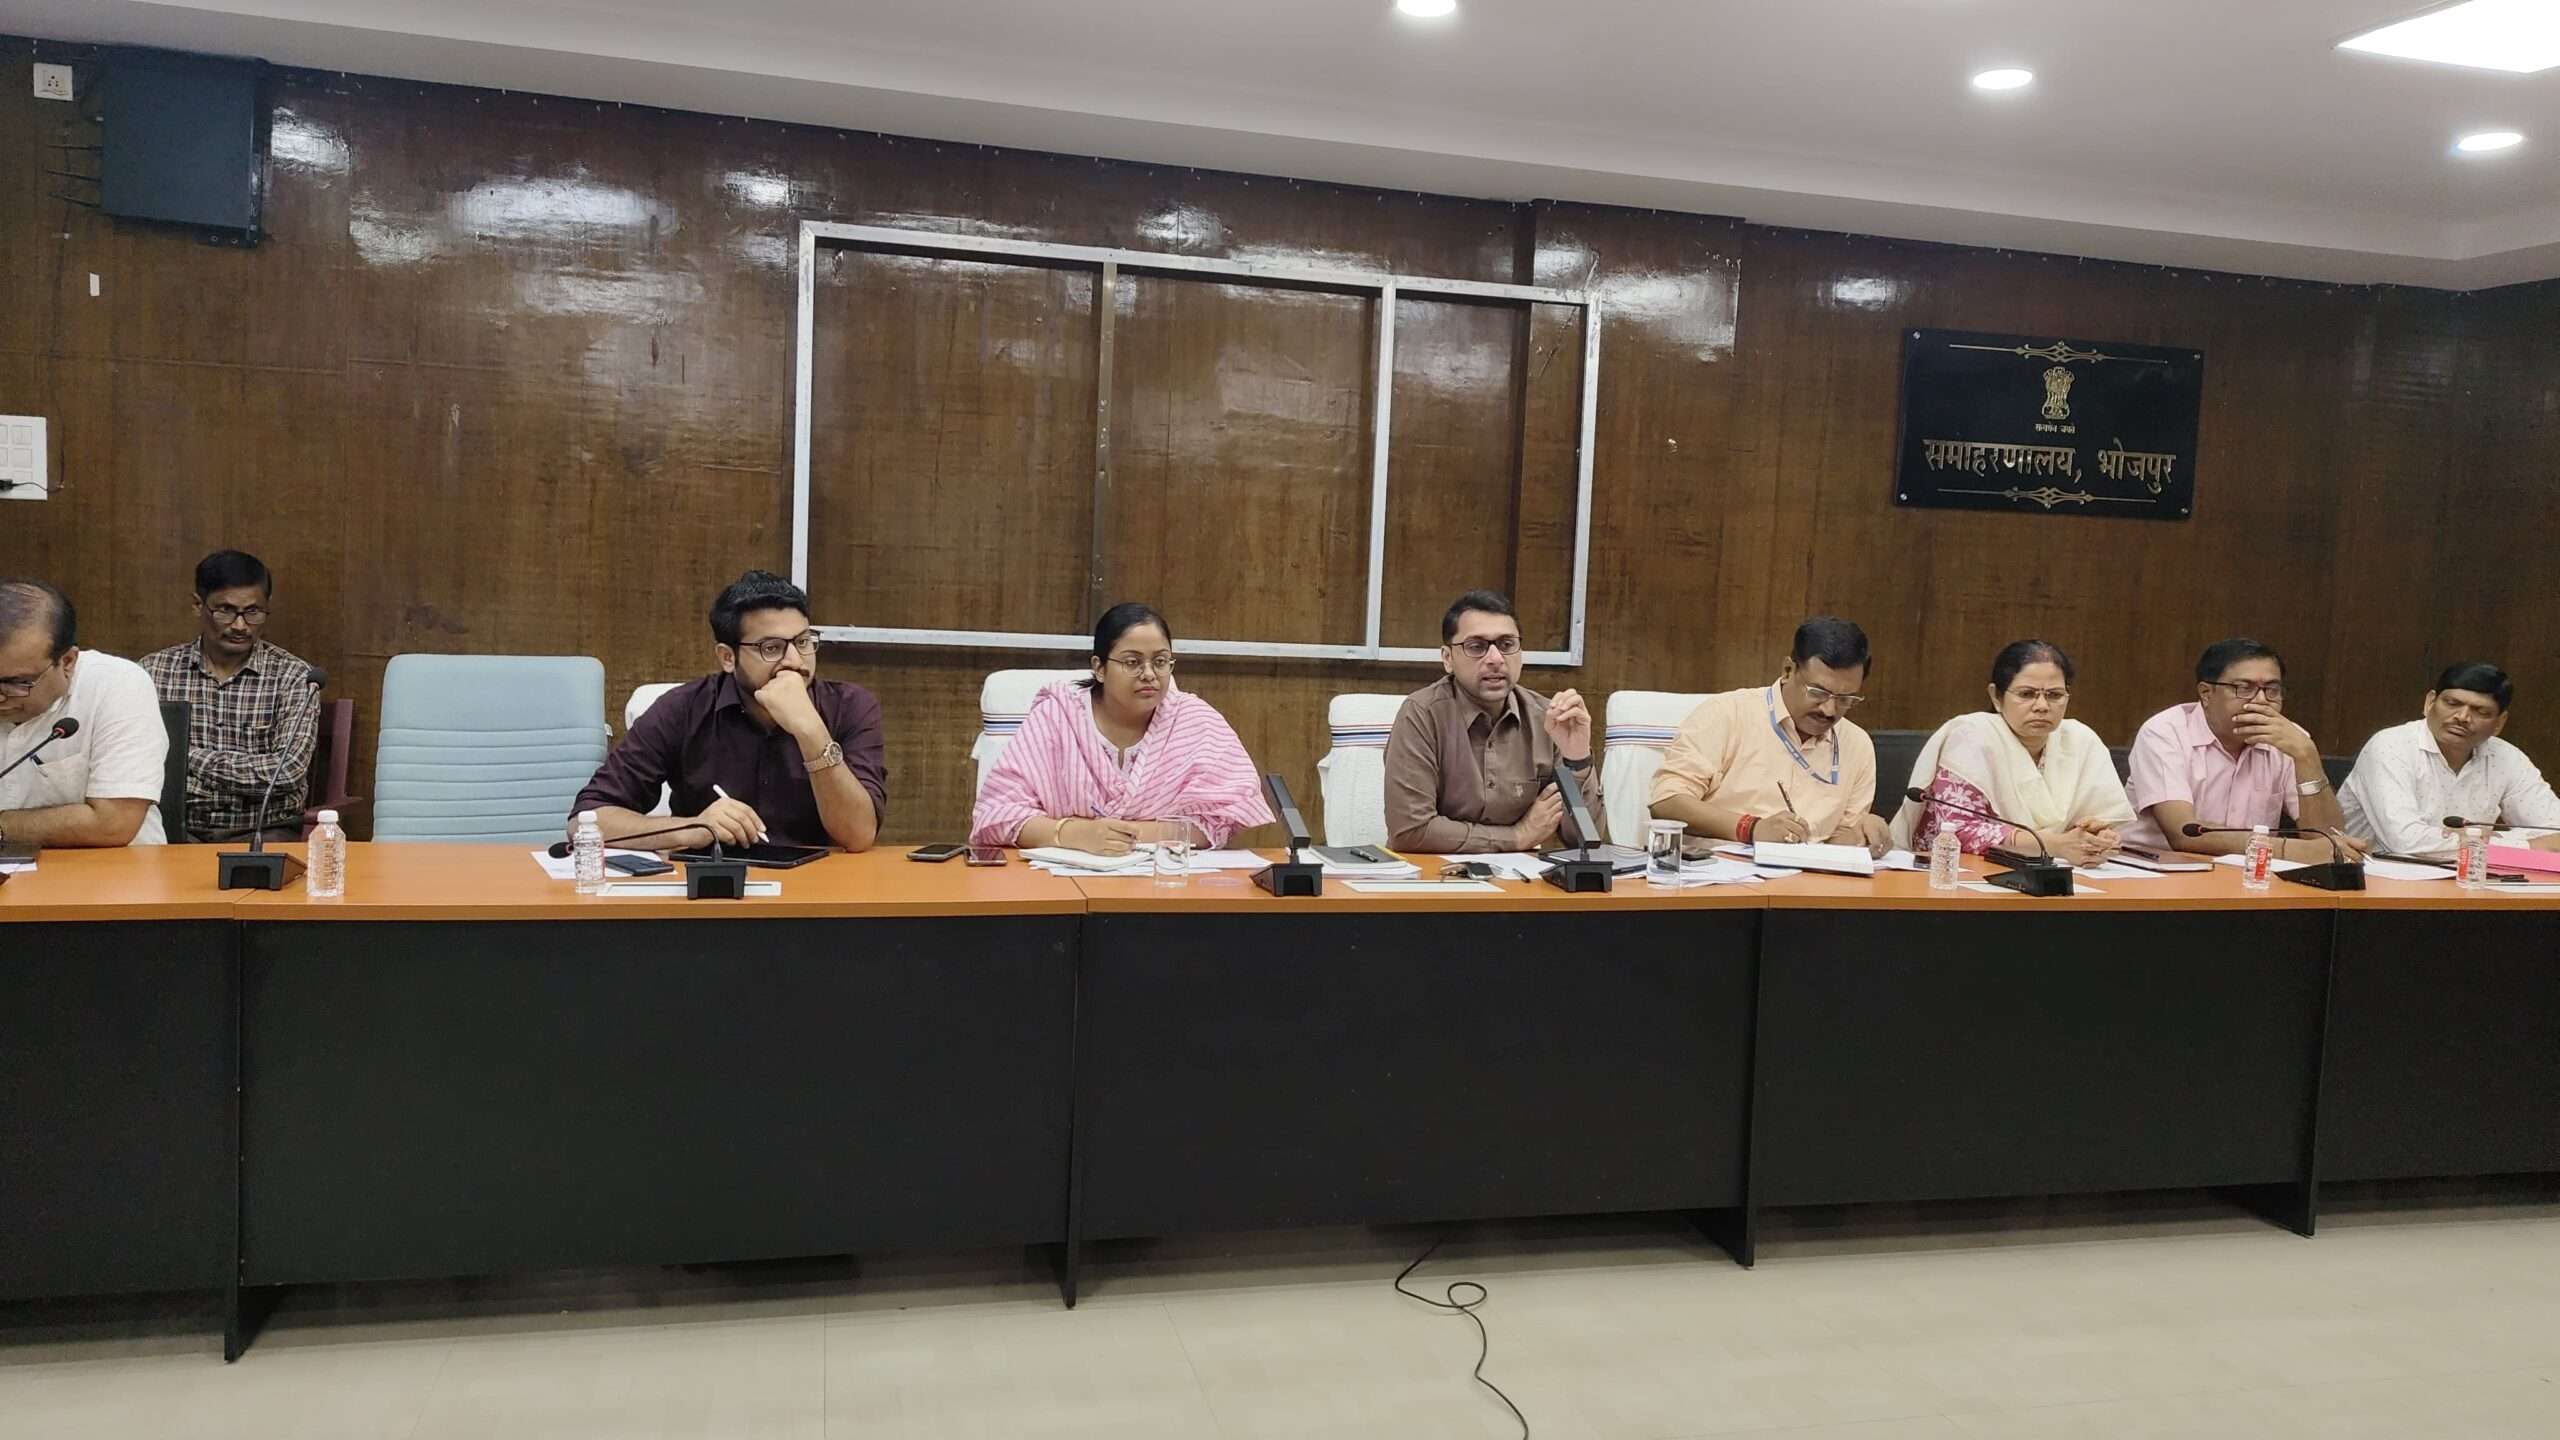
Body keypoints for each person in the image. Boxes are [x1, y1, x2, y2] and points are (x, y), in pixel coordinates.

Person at [570, 570, 885, 852]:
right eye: (772, 648)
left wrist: (810, 730)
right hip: (714, 885)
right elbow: (586, 821)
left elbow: (858, 835)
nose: (795, 661)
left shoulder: (851, 707)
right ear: (727, 658)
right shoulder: (682, 709)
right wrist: (692, 828)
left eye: (803, 642)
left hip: (819, 887)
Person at [971, 602, 1273, 853]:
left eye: (1160, 661)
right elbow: (998, 814)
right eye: (1132, 662)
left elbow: (1219, 820)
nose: (1149, 674)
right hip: (1060, 883)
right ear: (1099, 668)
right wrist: (1072, 834)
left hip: (1163, 881)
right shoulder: (1056, 718)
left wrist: (1123, 837)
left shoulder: (1195, 721)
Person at [1648, 616, 1893, 856]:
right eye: (1818, 693)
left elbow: (1835, 841)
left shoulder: (1857, 745)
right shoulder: (1726, 714)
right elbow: (1666, 803)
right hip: (1718, 871)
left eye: (1845, 699)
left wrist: (1862, 836)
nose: (1829, 710)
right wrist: (1750, 828)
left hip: (1808, 878)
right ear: (1788, 670)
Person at [1383, 589, 1596, 853]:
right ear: (1448, 659)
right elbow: (1410, 830)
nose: (1495, 659)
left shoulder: (1549, 719)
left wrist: (1578, 760)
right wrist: (1516, 837)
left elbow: (1585, 841)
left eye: (1506, 645)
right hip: (1435, 875)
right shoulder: (1421, 714)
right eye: (1476, 647)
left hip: (1519, 877)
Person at [1889, 640, 2134, 864]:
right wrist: (2054, 845)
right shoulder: (1973, 736)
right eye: (2027, 694)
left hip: (2059, 878)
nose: (2042, 706)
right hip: (1966, 877)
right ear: (1996, 696)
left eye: (2054, 695)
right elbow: (1956, 831)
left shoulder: (2081, 741)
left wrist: (2099, 839)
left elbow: (2098, 823)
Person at [2121, 637, 2367, 861]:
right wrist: (2289, 850)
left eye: (2272, 690)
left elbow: (2328, 842)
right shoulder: (2165, 732)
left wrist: (2307, 757)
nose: (2261, 700)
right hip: (2155, 873)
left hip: (2249, 878)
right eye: (2244, 688)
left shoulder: (2291, 741)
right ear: (2206, 693)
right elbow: (2184, 833)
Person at [141, 550, 323, 843]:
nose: (240, 625)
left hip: (263, 831)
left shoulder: (294, 676)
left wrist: (184, 757)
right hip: (172, 831)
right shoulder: (152, 672)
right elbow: (135, 763)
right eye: (226, 611)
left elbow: (286, 772)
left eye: (253, 612)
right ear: (198, 605)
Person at [0, 579, 169, 846]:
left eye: (17, 682)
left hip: (111, 867)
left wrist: (3, 828)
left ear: (67, 661)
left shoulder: (118, 684)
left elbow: (113, 824)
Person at [2339, 662, 2560, 856]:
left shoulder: (2507, 758)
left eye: (2480, 712)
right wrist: (2518, 844)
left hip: (2465, 880)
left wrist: (2476, 841)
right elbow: (2405, 841)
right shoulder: (2391, 745)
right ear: (2430, 703)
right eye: (2452, 703)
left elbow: (2555, 833)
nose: (2462, 717)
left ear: (2499, 723)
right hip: (2374, 880)